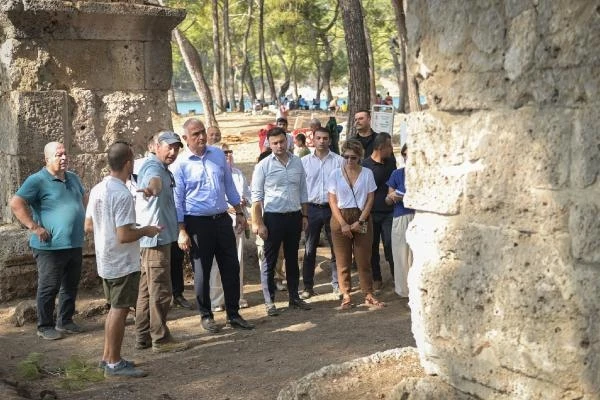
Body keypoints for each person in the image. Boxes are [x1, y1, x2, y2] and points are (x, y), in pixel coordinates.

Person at [85, 141, 161, 377]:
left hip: (105, 259)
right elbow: (124, 234)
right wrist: (146, 230)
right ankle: (114, 362)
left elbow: (88, 225)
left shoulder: (98, 189)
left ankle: (108, 358)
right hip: (122, 262)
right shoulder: (121, 194)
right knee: (119, 310)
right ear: (128, 163)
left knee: (115, 309)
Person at [171, 118, 254, 333]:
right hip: (197, 224)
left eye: (202, 133)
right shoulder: (180, 164)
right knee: (202, 271)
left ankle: (233, 314)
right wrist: (181, 230)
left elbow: (228, 185)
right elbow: (178, 199)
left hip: (222, 220)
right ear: (185, 138)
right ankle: (206, 315)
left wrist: (239, 211)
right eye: (195, 134)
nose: (201, 137)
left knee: (231, 268)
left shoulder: (217, 155)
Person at [10, 142, 87, 340]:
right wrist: (34, 227)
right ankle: (44, 326)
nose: (63, 158)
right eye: (58, 155)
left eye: (65, 154)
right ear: (47, 159)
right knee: (49, 286)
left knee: (70, 286)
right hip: (50, 247)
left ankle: (66, 321)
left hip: (74, 243)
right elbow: (16, 203)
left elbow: (84, 200)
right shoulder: (37, 180)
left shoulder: (73, 178)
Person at [134, 131, 188, 353]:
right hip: (156, 240)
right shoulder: (154, 168)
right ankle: (161, 339)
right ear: (156, 146)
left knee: (147, 291)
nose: (173, 152)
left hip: (156, 239)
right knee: (161, 291)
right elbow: (153, 183)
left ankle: (143, 336)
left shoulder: (163, 168)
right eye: (169, 147)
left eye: (177, 148)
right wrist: (151, 189)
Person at [251, 127, 311, 316]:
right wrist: (259, 223)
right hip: (273, 218)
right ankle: (270, 301)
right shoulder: (263, 166)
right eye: (275, 143)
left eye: (282, 142)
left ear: (287, 141)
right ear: (269, 144)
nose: (279, 146)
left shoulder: (297, 163)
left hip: (294, 217)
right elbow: (256, 197)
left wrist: (304, 216)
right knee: (269, 260)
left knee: (292, 259)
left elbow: (303, 191)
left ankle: (294, 297)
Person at [327, 139, 385, 309]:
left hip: (362, 215)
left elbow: (370, 198)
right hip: (341, 216)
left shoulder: (367, 173)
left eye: (353, 157)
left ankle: (368, 293)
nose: (349, 161)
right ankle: (346, 294)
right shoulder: (335, 174)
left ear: (360, 157)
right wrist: (343, 224)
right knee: (342, 260)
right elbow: (332, 200)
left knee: (363, 259)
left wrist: (360, 220)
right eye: (346, 157)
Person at [300, 127, 344, 300]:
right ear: (313, 139)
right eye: (318, 138)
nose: (322, 141)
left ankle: (337, 285)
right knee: (309, 249)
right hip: (311, 209)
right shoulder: (303, 162)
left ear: (330, 140)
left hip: (333, 208)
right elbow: (300, 187)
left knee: (336, 248)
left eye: (325, 138)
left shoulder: (339, 161)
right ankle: (308, 287)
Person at [210, 143, 251, 311]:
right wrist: (227, 207)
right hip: (218, 222)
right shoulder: (211, 172)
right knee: (216, 264)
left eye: (229, 152)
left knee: (237, 262)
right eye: (223, 152)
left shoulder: (238, 174)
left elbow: (248, 194)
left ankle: (237, 297)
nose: (227, 155)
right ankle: (216, 300)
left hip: (237, 223)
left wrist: (243, 203)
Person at [362, 132, 396, 291]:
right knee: (372, 247)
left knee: (390, 244)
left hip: (389, 212)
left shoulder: (391, 161)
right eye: (389, 146)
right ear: (381, 147)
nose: (391, 149)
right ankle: (377, 278)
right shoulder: (365, 165)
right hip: (371, 213)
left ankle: (397, 276)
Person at [385, 144, 414, 298]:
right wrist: (393, 196)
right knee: (401, 255)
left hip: (419, 217)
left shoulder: (424, 174)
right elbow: (388, 200)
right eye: (406, 155)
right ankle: (403, 291)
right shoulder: (397, 174)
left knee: (417, 255)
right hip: (401, 215)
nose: (408, 158)